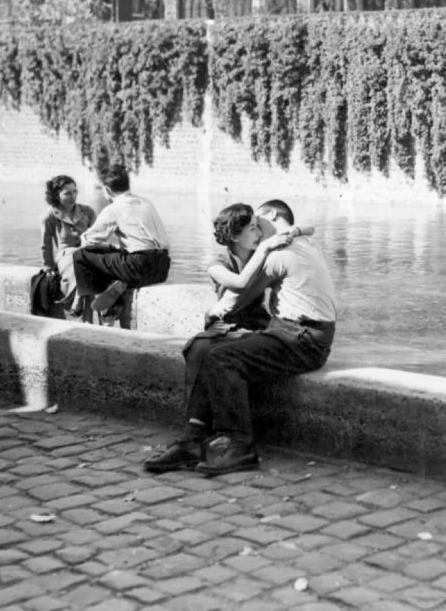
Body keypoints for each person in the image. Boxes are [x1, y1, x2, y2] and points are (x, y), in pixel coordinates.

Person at [142, 202, 308, 473]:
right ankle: (192, 438)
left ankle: (197, 438)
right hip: (227, 326)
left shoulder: (265, 254)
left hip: (258, 328)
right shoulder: (220, 263)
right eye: (252, 228)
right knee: (198, 348)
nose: (259, 233)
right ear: (234, 236)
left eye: (259, 226)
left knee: (207, 349)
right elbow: (239, 286)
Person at [195, 199, 336, 477]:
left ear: (271, 214)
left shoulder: (277, 254)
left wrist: (213, 312)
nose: (257, 230)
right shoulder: (303, 243)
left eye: (258, 222)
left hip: (300, 338)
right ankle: (206, 434)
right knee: (221, 350)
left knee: (221, 357)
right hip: (307, 334)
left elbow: (236, 300)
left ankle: (240, 447)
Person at [70, 163, 171, 323]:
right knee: (116, 256)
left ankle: (83, 303)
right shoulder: (146, 202)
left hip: (138, 266)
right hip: (162, 267)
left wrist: (107, 247)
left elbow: (88, 240)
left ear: (107, 190)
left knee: (81, 256)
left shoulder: (115, 208)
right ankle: (118, 290)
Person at [39, 175, 96, 311]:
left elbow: (97, 236)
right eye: (67, 193)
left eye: (75, 191)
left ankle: (79, 299)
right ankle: (79, 303)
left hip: (87, 254)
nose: (73, 196)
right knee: (79, 263)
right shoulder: (49, 216)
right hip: (65, 257)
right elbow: (46, 245)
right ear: (56, 195)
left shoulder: (87, 211)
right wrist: (48, 268)